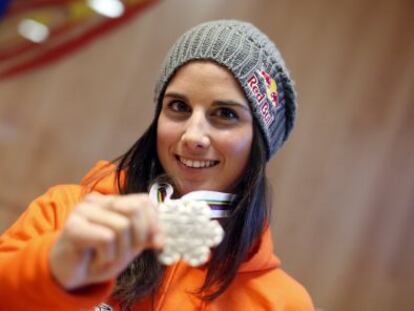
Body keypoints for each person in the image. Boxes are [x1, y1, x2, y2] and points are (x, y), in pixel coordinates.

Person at [0, 20, 314, 310]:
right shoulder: (65, 214)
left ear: (259, 143)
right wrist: (53, 269)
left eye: (226, 114)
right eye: (178, 107)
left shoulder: (282, 302)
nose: (193, 136)